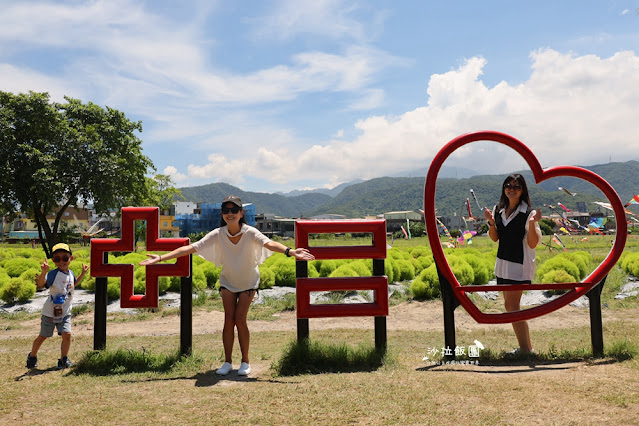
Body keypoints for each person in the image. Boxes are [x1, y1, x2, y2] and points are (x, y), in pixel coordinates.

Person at [140, 195, 315, 376]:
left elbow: (269, 243)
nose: (229, 214)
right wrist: (161, 258)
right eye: (226, 210)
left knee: (240, 319)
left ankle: (245, 361)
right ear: (222, 214)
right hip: (228, 282)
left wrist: (290, 251)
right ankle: (227, 362)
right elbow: (192, 248)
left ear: (241, 213)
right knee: (228, 320)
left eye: (234, 210)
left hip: (248, 282)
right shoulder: (218, 233)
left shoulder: (250, 232)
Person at [483, 174, 542, 354]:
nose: (512, 189)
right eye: (508, 185)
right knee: (510, 307)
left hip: (519, 264)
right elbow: (495, 238)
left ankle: (526, 349)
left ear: (522, 190)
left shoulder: (528, 213)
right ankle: (525, 348)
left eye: (516, 186)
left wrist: (532, 224)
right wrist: (491, 223)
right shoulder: (498, 209)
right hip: (503, 264)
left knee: (513, 307)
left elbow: (533, 243)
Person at [26, 243, 89, 369]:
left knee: (67, 335)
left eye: (65, 258)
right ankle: (32, 356)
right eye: (57, 259)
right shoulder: (53, 274)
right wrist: (44, 272)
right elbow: (41, 285)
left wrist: (82, 273)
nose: (62, 262)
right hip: (50, 312)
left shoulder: (70, 273)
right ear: (53, 261)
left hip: (65, 311)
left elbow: (73, 284)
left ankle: (63, 360)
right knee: (43, 336)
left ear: (71, 258)